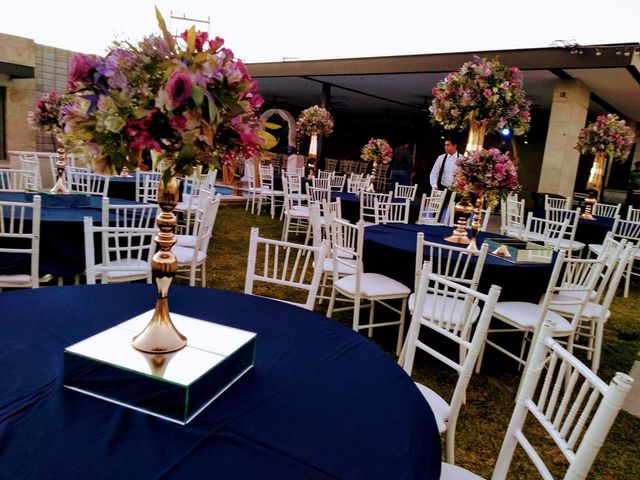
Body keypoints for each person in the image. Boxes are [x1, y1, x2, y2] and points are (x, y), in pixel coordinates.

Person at [429, 137, 461, 222]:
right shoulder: (441, 158)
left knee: (456, 216)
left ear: (455, 146)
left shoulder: (461, 159)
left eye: (448, 145)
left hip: (456, 191)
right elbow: (434, 173)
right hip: (443, 188)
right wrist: (434, 186)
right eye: (445, 145)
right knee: (436, 214)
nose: (445, 147)